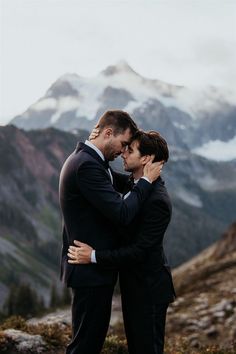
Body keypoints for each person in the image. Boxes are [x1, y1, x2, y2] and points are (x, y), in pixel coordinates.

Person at [59, 110, 162, 354]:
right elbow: (122, 213)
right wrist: (147, 182)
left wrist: (143, 172)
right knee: (85, 346)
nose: (123, 151)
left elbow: (124, 183)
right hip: (89, 272)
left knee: (89, 344)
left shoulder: (92, 161)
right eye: (123, 143)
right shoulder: (86, 166)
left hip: (93, 271)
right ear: (108, 133)